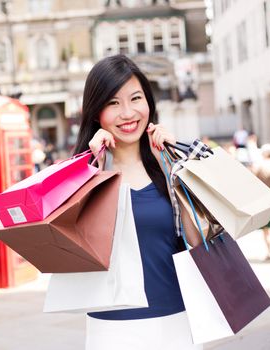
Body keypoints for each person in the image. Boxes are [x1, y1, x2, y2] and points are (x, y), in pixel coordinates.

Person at [73, 54, 201, 349]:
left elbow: (197, 240)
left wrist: (171, 168)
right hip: (112, 327)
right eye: (113, 103)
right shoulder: (83, 173)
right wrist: (98, 167)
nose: (128, 113)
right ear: (96, 113)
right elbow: (79, 248)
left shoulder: (168, 164)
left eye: (135, 98)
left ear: (149, 103)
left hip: (178, 318)